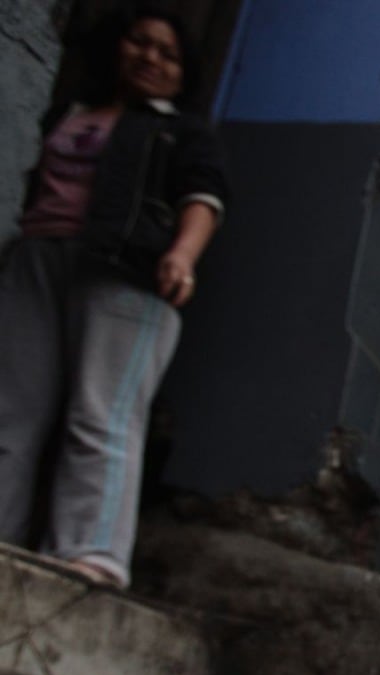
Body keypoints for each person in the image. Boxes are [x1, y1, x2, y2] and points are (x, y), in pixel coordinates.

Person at [0, 6, 227, 588]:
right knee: (12, 410)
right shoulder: (69, 114)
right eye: (141, 43)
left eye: (168, 53)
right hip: (40, 259)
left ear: (183, 72)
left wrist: (181, 256)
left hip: (127, 271)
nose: (151, 58)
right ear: (118, 48)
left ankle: (92, 554)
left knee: (102, 413)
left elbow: (202, 198)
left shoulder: (181, 130)